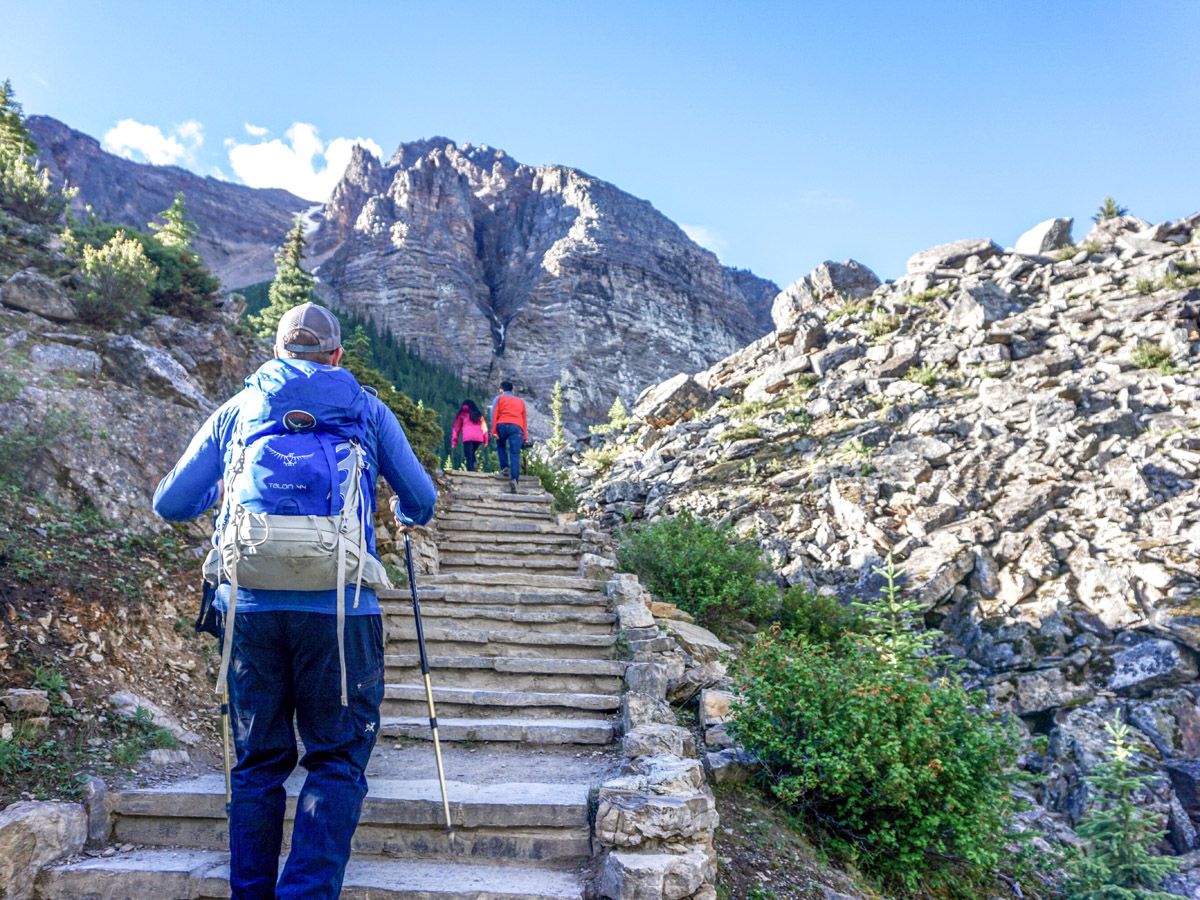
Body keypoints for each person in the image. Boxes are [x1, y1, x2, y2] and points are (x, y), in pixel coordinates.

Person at [152, 302, 437, 900]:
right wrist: (405, 516)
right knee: (336, 762)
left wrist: (223, 487)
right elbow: (421, 497)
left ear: (277, 351)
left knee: (257, 765)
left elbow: (171, 504)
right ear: (337, 355)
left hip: (249, 609)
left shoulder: (240, 408)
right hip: (341, 611)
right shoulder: (365, 406)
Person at [490, 380, 528, 493]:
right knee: (515, 453)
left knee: (501, 445)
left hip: (502, 424)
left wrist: (494, 431)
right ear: (513, 390)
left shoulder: (499, 398)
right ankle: (515, 480)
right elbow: (524, 419)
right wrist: (524, 437)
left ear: (501, 390)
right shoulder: (520, 402)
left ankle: (505, 468)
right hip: (517, 427)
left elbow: (494, 414)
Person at [450, 399, 488, 471]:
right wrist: (486, 440)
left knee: (468, 456)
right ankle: (474, 464)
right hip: (478, 439)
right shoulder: (478, 414)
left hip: (468, 438)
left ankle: (470, 472)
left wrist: (454, 442)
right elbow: (484, 427)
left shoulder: (462, 414)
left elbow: (456, 429)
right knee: (472, 452)